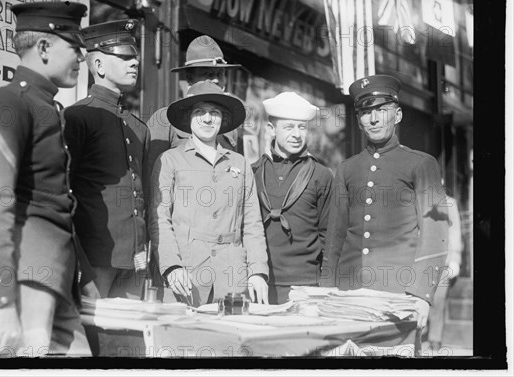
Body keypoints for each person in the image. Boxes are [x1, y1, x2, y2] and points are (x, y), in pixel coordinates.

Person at [0, 1, 91, 356]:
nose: (82, 57)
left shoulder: (46, 106)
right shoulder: (8, 104)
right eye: (74, 47)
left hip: (53, 279)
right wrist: (0, 300)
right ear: (45, 47)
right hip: (26, 279)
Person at [321, 74, 449, 331]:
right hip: (349, 295)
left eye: (382, 109)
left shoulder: (422, 164)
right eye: (366, 112)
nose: (374, 118)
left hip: (399, 295)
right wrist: (326, 291)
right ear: (359, 120)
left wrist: (421, 294)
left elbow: (435, 234)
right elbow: (335, 237)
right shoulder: (347, 169)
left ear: (398, 115)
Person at [149, 81, 269, 306]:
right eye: (199, 112)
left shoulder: (240, 163)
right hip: (186, 277)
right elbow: (159, 220)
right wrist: (172, 265)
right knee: (184, 340)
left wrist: (257, 271)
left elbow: (252, 223)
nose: (207, 118)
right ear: (188, 118)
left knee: (231, 340)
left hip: (233, 277)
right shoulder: (170, 160)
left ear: (223, 118)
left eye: (214, 113)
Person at [64, 19, 149, 301]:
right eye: (124, 57)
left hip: (134, 260)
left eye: (134, 57)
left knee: (129, 340)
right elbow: (63, 191)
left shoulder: (138, 127)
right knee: (90, 341)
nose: (134, 63)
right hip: (94, 258)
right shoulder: (78, 117)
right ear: (98, 65)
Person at [252, 92, 333, 304]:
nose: (297, 134)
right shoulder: (252, 173)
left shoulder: (321, 175)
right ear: (271, 130)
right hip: (259, 284)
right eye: (289, 127)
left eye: (302, 127)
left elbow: (329, 235)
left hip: (306, 286)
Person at [145, 35, 242, 180]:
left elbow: (238, 174)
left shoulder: (231, 123)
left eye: (220, 74)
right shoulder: (164, 119)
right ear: (190, 78)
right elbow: (151, 175)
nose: (216, 79)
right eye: (208, 74)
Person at [427, 189, 463, 352]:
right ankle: (418, 336)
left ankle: (435, 339)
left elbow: (454, 231)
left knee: (438, 299)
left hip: (443, 260)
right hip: (420, 261)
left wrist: (455, 258)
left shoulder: (450, 203)